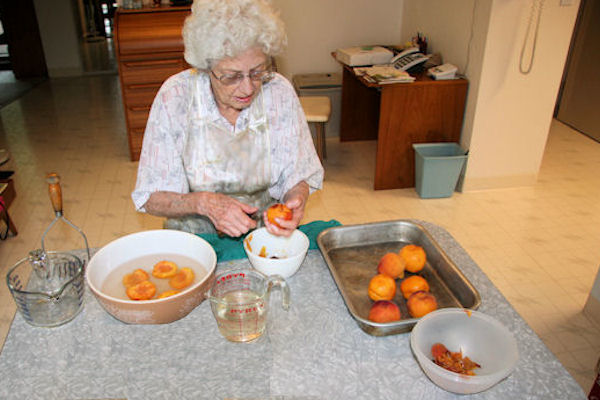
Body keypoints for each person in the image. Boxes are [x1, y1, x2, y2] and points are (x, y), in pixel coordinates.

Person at [131, 0, 324, 238]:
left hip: (264, 236)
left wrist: (297, 197)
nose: (247, 88)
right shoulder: (176, 97)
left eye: (257, 72)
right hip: (195, 240)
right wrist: (203, 203)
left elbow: (297, 174)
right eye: (231, 76)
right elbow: (151, 197)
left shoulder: (278, 91)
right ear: (206, 67)